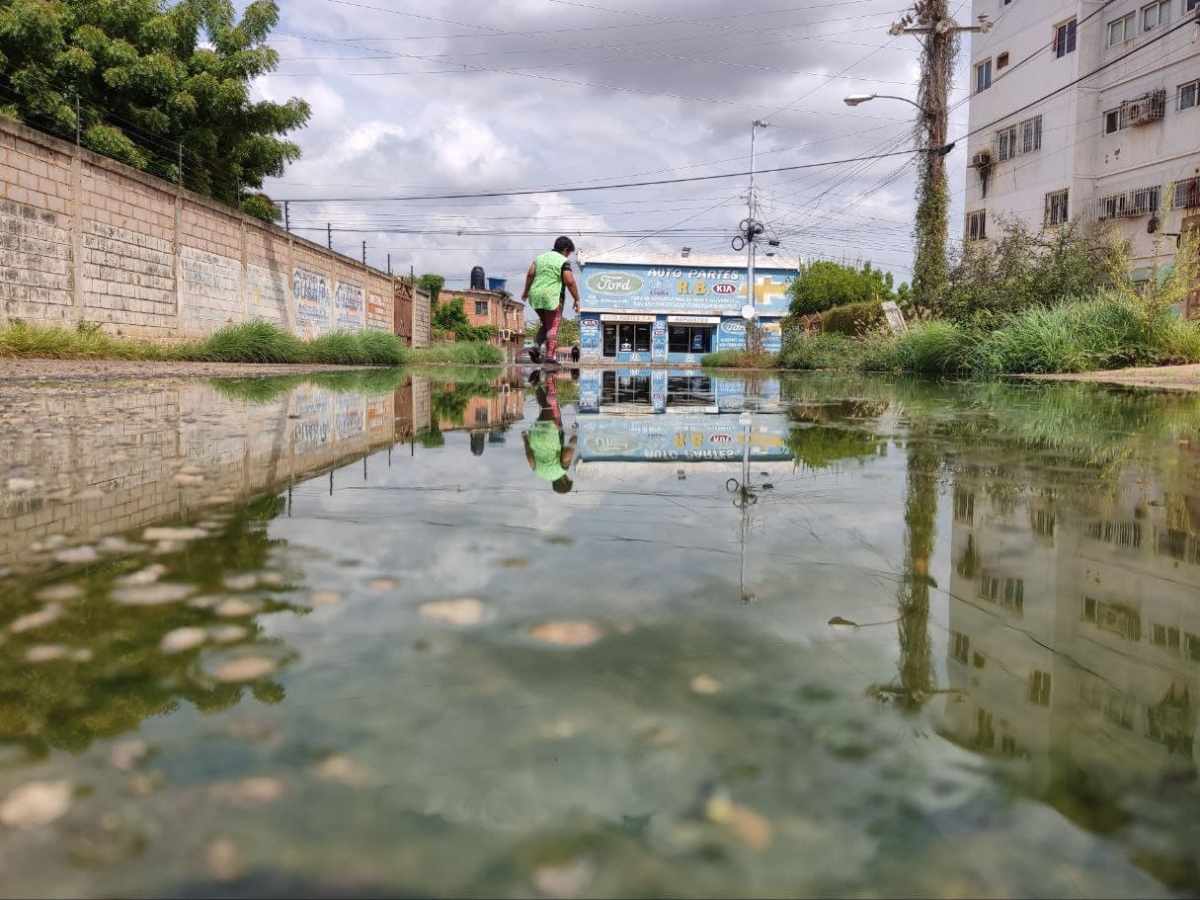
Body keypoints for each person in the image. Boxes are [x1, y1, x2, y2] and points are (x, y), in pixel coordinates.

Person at [522, 236, 580, 369]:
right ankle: (550, 358)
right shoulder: (563, 261)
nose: (568, 256)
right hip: (552, 297)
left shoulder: (539, 258)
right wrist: (577, 299)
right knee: (553, 326)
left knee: (546, 325)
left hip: (535, 296)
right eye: (569, 253)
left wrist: (525, 292)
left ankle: (536, 347)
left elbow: (530, 274)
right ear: (566, 250)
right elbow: (569, 281)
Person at [522, 372, 577, 494]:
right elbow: (530, 459)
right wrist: (525, 439)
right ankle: (536, 383)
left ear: (563, 481)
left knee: (550, 406)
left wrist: (575, 437)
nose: (567, 476)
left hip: (550, 437)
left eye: (567, 478)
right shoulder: (539, 473)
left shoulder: (561, 470)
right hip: (535, 438)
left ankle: (548, 377)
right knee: (546, 408)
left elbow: (567, 454)